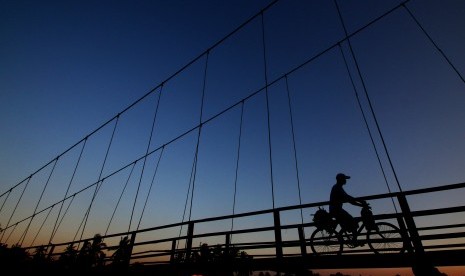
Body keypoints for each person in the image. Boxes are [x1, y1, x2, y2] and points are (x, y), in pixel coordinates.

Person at [329, 173, 367, 245]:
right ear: (341, 180)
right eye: (344, 179)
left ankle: (345, 237)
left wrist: (360, 203)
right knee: (352, 221)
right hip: (336, 210)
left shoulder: (338, 187)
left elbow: (349, 199)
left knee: (349, 222)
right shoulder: (337, 188)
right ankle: (353, 241)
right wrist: (361, 203)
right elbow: (348, 199)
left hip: (336, 210)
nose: (345, 180)